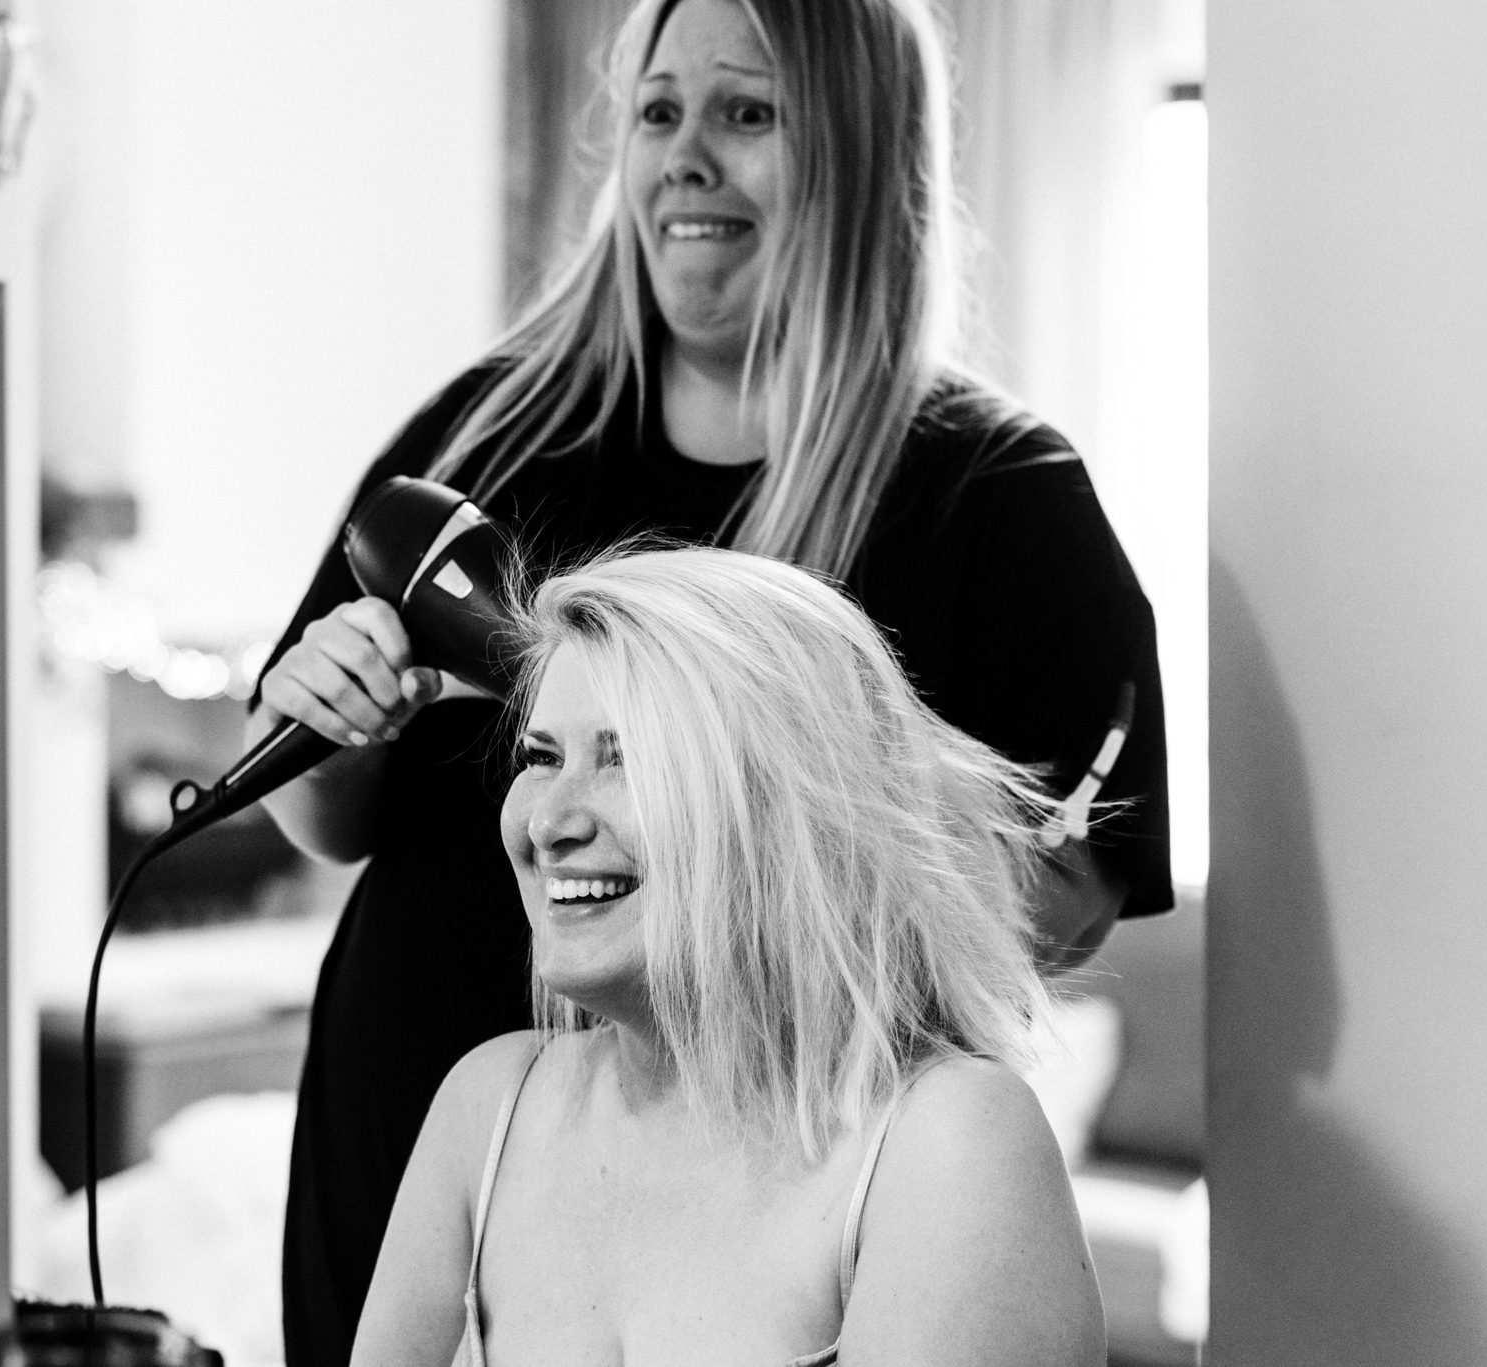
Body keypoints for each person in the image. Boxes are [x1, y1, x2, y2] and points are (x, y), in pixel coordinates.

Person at [251, 0, 1170, 1360]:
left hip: (762, 1177)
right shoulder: (495, 425)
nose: (686, 157)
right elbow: (327, 818)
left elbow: (1062, 893)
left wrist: (786, 799)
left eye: (748, 113)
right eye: (657, 112)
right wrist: (331, 721)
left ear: (863, 149)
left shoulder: (993, 493)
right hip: (429, 1143)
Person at [352, 546, 1106, 1366]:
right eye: (542, 757)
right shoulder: (489, 1106)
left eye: (626, 758)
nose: (549, 821)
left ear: (787, 805)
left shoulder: (946, 1140)